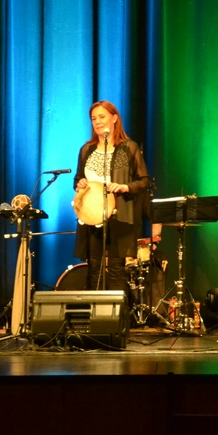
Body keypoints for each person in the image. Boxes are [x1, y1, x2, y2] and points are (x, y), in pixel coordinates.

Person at [73, 101, 150, 293]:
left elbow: (143, 181)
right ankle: (94, 316)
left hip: (119, 214)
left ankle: (116, 318)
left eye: (102, 117)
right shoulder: (86, 150)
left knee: (116, 269)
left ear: (114, 118)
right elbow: (78, 178)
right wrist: (80, 183)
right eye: (93, 119)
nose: (97, 122)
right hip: (92, 216)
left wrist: (124, 187)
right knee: (94, 269)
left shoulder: (128, 148)